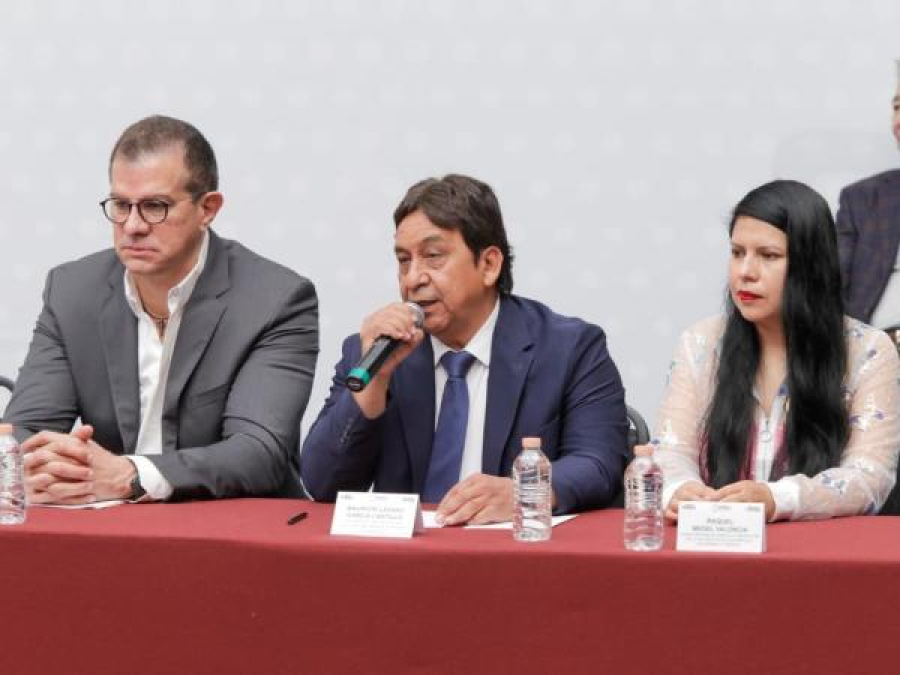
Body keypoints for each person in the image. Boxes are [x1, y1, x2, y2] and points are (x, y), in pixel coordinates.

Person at [4, 115, 319, 504]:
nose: (133, 226)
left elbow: (257, 453)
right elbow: (24, 432)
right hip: (110, 524)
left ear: (208, 208)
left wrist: (133, 475)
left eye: (155, 206)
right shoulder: (72, 291)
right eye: (121, 205)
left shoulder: (275, 300)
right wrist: (44, 466)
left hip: (228, 524)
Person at [300, 174, 626, 525]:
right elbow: (322, 483)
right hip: (406, 553)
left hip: (514, 551)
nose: (412, 279)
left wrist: (524, 491)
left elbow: (598, 463)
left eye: (433, 256)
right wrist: (374, 385)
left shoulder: (570, 349)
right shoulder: (374, 352)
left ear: (489, 265)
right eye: (404, 260)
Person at [645, 180, 900, 522]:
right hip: (716, 540)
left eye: (768, 256)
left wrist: (776, 498)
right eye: (737, 253)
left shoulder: (867, 350)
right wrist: (680, 488)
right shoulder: (701, 343)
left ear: (812, 265)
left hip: (821, 547)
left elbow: (870, 476)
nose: (745, 272)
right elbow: (670, 451)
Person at [835, 60, 900, 328]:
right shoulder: (861, 200)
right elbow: (828, 292)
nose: (899, 120)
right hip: (874, 345)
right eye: (897, 107)